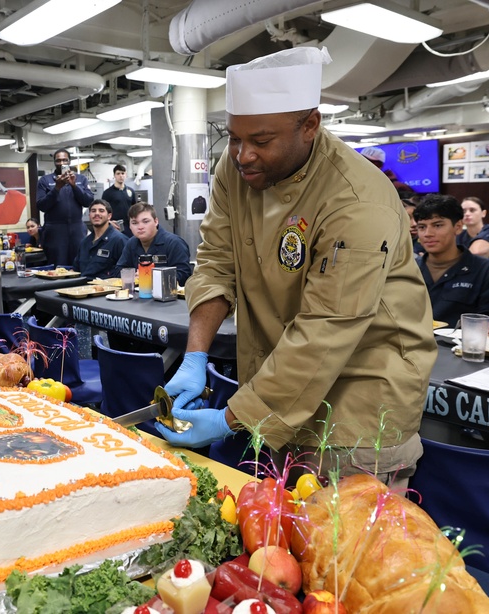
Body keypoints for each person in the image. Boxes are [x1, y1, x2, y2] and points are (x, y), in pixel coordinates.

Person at [158, 47, 437, 489]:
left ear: (310, 125)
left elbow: (327, 328)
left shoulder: (357, 200)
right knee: (277, 526)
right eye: (233, 137)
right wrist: (195, 355)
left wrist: (231, 419)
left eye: (261, 141)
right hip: (279, 381)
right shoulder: (236, 170)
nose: (243, 155)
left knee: (341, 532)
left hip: (360, 404)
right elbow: (216, 260)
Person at [413, 194, 489, 324]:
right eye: (422, 227)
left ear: (458, 227)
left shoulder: (488, 271)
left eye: (438, 225)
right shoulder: (409, 269)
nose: (428, 234)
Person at [36, 149, 94, 267]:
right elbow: (42, 206)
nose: (62, 163)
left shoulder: (80, 179)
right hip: (55, 230)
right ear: (54, 162)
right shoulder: (45, 180)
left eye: (64, 160)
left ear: (69, 161)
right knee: (57, 266)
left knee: (79, 264)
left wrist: (74, 186)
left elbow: (88, 201)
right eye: (58, 160)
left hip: (77, 229)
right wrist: (57, 188)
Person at [113, 203, 193, 285]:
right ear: (129, 226)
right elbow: (119, 271)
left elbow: (184, 275)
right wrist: (132, 276)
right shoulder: (131, 243)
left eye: (145, 222)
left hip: (168, 292)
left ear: (156, 221)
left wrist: (153, 277)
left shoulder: (174, 243)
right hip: (138, 291)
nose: (140, 227)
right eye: (134, 223)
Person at [73, 199, 126, 278]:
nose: (97, 213)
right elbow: (76, 270)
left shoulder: (119, 240)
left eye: (101, 211)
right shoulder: (84, 243)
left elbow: (127, 270)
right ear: (89, 216)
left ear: (109, 216)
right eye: (93, 211)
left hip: (108, 285)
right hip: (82, 284)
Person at [101, 164, 138, 237]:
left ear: (126, 175)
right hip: (115, 226)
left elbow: (135, 209)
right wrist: (108, 222)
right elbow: (102, 210)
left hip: (129, 227)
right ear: (114, 175)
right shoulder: (107, 193)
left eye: (122, 173)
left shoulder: (131, 191)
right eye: (118, 174)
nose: (121, 176)